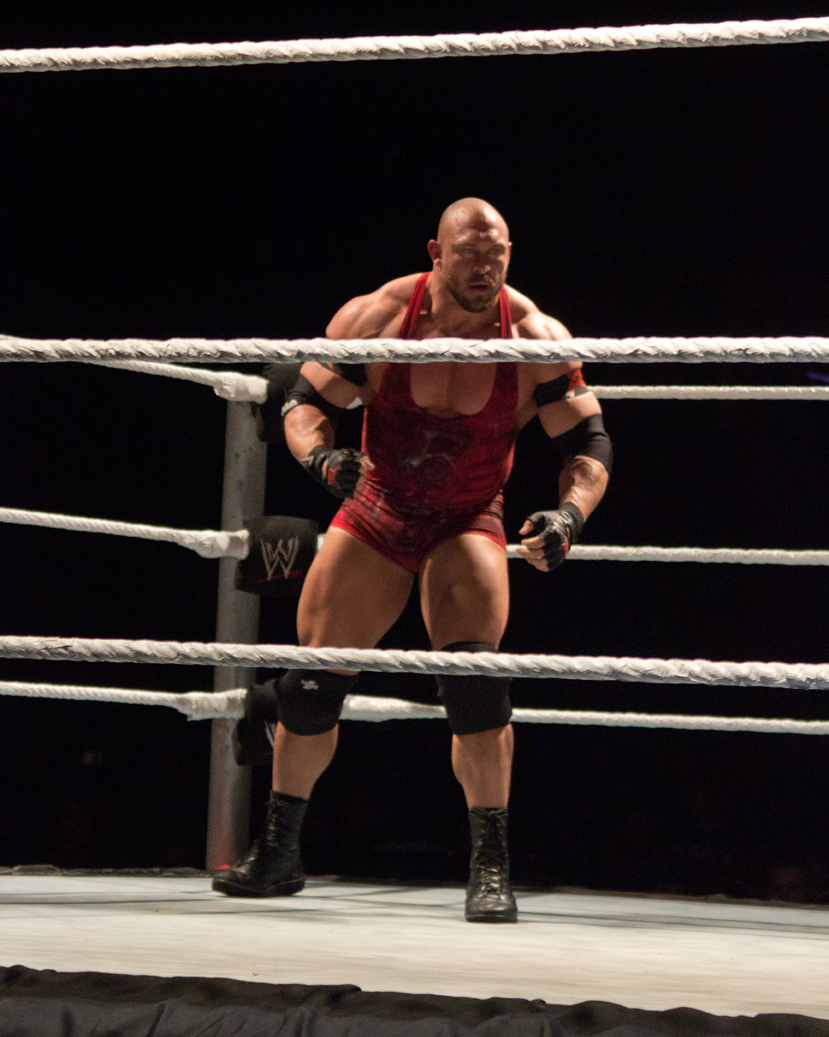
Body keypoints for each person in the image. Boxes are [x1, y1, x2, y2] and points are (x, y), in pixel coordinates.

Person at [212, 198, 612, 922]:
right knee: (311, 685)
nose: (484, 268)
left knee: (476, 686)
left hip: (468, 517)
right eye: (469, 254)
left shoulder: (534, 338)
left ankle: (490, 867)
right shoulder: (379, 319)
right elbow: (303, 404)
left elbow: (587, 442)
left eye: (496, 254)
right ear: (436, 252)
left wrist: (569, 514)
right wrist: (322, 459)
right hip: (378, 509)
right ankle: (277, 851)